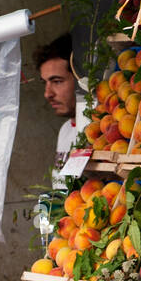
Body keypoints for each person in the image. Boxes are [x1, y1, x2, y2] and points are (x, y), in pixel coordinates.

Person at [35, 33, 90, 179]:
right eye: (45, 83)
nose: (48, 94)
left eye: (57, 81)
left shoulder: (98, 130)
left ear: (81, 79)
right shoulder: (65, 130)